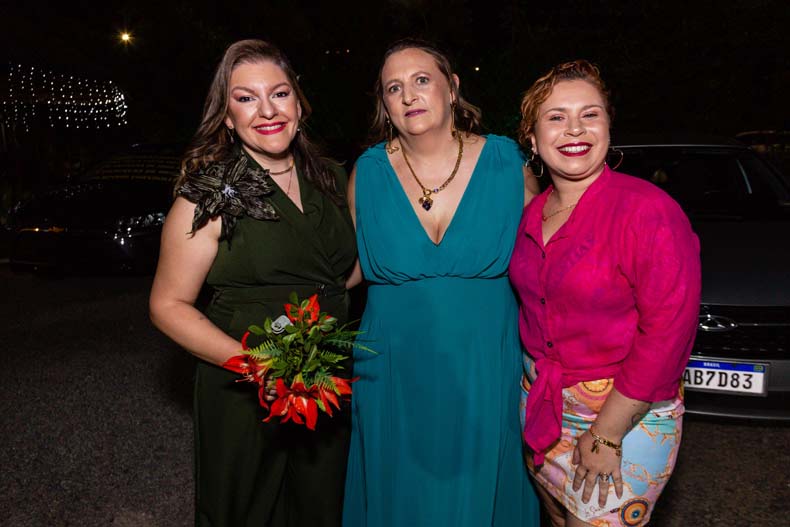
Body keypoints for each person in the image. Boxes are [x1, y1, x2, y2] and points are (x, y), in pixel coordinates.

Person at [149, 40, 356, 527]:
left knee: (319, 509)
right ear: (227, 116)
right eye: (245, 98)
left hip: (325, 380)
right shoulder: (207, 195)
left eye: (279, 94)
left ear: (299, 104)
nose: (267, 111)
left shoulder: (331, 178)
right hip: (244, 388)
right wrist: (258, 367)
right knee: (241, 512)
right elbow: (167, 305)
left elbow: (344, 271)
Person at [342, 38, 540, 527]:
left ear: (451, 88)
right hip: (391, 368)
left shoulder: (507, 163)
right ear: (384, 104)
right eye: (394, 87)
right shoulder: (367, 172)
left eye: (421, 80)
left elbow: (544, 265)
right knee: (401, 496)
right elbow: (349, 270)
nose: (408, 95)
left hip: (486, 362)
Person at [509, 60, 701, 527]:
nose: (574, 128)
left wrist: (607, 433)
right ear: (532, 139)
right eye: (556, 117)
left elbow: (668, 332)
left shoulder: (648, 210)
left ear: (609, 128)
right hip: (545, 408)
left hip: (625, 416)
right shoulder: (532, 212)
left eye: (589, 114)